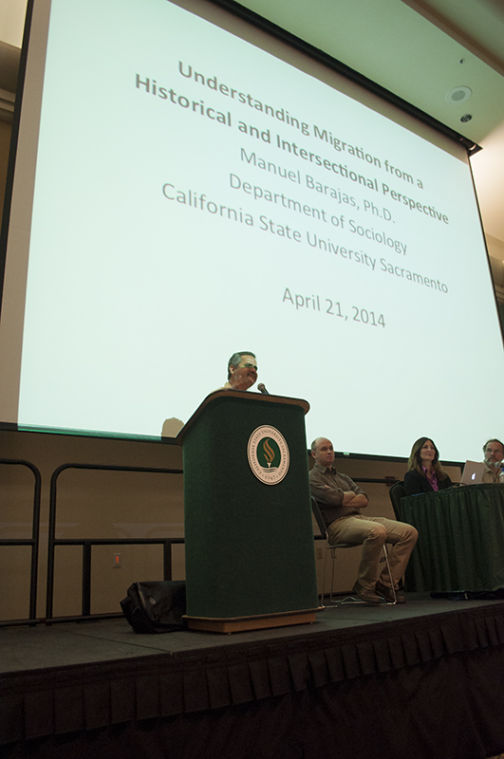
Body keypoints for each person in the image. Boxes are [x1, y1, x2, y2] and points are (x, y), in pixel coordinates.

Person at [309, 437, 418, 605]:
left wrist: (344, 498)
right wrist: (346, 496)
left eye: (331, 448)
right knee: (377, 531)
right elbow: (335, 498)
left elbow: (364, 499)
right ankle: (365, 586)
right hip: (337, 525)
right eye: (324, 449)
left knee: (409, 532)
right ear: (314, 454)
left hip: (358, 518)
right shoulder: (312, 477)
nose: (330, 451)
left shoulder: (343, 477)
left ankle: (385, 583)